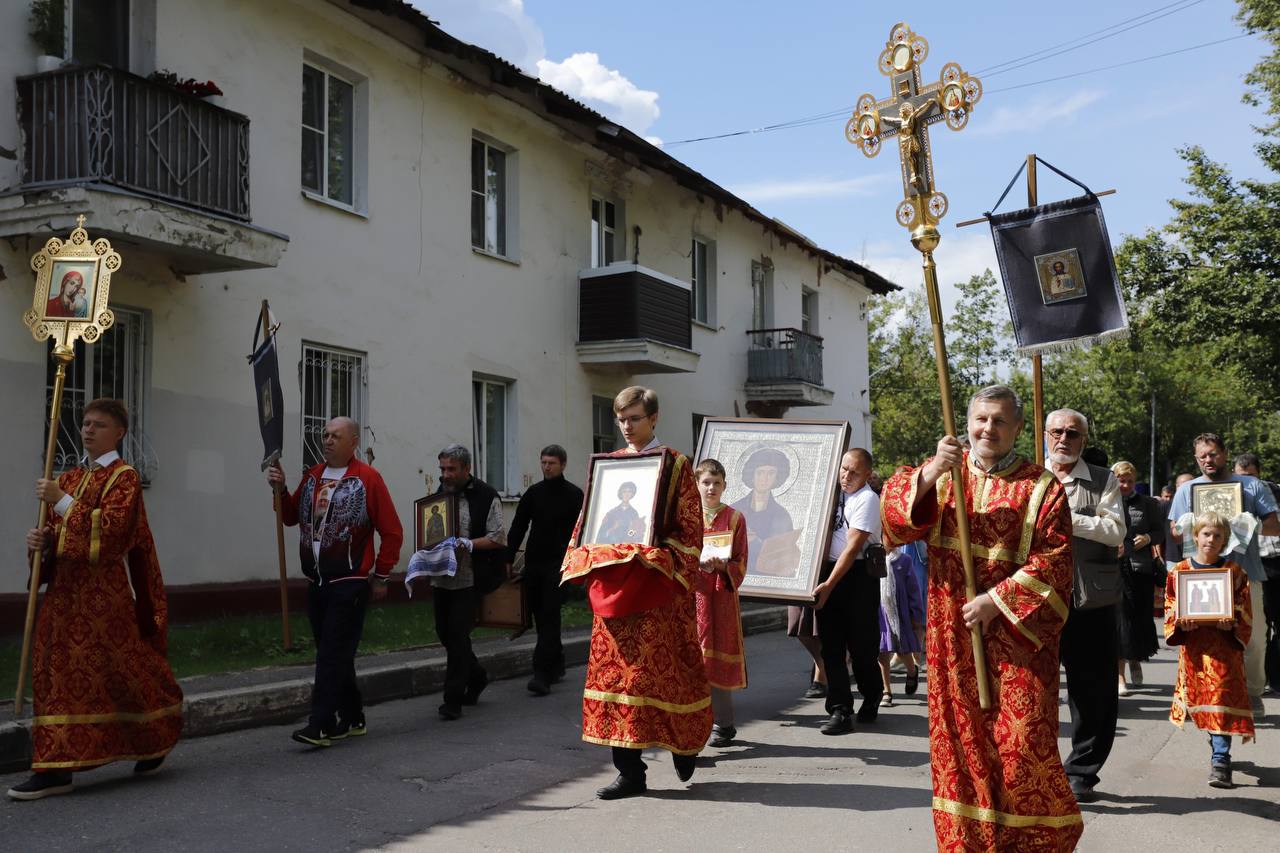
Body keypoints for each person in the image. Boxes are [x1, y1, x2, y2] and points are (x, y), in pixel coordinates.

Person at [882, 385, 1082, 851]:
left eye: (999, 421)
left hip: (1017, 637)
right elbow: (895, 524)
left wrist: (997, 600)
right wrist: (932, 471)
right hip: (951, 632)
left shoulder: (1041, 486)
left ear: (1016, 429)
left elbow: (1055, 562)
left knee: (1022, 747)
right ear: (967, 423)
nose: (987, 428)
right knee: (960, 743)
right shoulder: (942, 475)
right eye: (980, 419)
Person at [9, 399, 183, 801]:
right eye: (85, 423)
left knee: (121, 672)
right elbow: (58, 534)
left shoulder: (124, 478)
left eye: (98, 424)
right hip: (64, 596)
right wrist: (41, 543)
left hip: (104, 598)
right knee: (56, 672)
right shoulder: (68, 477)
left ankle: (155, 732)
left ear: (118, 432)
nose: (88, 430)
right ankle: (56, 766)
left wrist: (61, 501)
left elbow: (114, 532)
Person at [561, 386, 710, 800]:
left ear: (654, 418)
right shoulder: (610, 468)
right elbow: (589, 522)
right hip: (615, 591)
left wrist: (657, 556)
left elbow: (691, 532)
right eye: (621, 419)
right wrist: (582, 553)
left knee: (666, 676)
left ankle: (685, 744)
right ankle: (630, 772)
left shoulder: (676, 465)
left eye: (635, 418)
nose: (627, 427)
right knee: (617, 681)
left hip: (659, 592)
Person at [269, 417, 402, 747]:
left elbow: (392, 531)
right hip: (317, 581)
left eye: (335, 436)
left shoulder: (368, 478)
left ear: (353, 442)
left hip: (350, 581)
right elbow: (289, 516)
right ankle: (354, 716)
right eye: (325, 434)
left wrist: (382, 574)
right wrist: (282, 488)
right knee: (335, 652)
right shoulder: (313, 476)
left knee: (331, 652)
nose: (327, 440)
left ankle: (321, 724)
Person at [1043, 408, 1125, 803]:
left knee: (1092, 689)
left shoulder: (1103, 480)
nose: (1064, 439)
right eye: (1057, 431)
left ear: (1083, 441)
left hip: (1088, 600)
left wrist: (1067, 519)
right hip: (1036, 600)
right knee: (1033, 687)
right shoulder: (1029, 478)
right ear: (1044, 435)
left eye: (1072, 433)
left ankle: (1082, 771)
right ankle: (1035, 766)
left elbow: (1115, 532)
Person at [1169, 434, 1279, 712]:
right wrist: (1186, 526)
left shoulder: (1251, 486)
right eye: (1202, 456)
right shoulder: (1187, 490)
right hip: (1201, 576)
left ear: (1225, 453)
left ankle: (1253, 692)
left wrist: (1249, 523)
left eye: (1213, 454)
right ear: (1196, 459)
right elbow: (1176, 534)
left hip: (1246, 572)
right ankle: (1207, 697)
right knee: (1204, 638)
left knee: (1253, 637)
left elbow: (1274, 526)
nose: (1208, 460)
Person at [1165, 511, 1254, 788]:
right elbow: (1171, 607)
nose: (1211, 540)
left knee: (1222, 700)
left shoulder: (1235, 572)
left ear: (1225, 539)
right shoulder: (1179, 571)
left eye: (1217, 536)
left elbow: (1245, 610)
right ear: (1196, 536)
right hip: (1195, 651)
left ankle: (1220, 760)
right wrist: (1181, 622)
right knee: (1205, 703)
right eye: (1206, 534)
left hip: (1225, 650)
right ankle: (1217, 745)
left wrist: (1233, 621)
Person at [431, 444, 506, 720]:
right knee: (444, 633)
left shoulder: (487, 495)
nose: (446, 475)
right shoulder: (440, 493)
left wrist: (468, 544)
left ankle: (453, 700)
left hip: (471, 577)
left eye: (451, 469)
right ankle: (477, 676)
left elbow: (498, 536)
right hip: (442, 577)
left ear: (466, 469)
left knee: (458, 635)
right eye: (442, 469)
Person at [813, 448, 883, 734]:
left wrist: (830, 586)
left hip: (857, 576)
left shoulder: (867, 499)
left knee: (862, 645)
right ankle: (840, 709)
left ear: (867, 474)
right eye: (844, 469)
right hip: (828, 570)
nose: (846, 476)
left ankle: (872, 694)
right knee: (831, 645)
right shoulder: (834, 494)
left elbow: (853, 547)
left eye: (854, 472)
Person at [505, 444, 583, 696]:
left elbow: (581, 532)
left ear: (563, 465)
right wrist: (508, 558)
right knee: (542, 616)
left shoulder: (574, 495)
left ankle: (541, 674)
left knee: (549, 616)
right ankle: (557, 662)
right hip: (534, 564)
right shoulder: (533, 493)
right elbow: (518, 526)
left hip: (559, 566)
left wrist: (578, 563)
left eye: (552, 463)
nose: (546, 467)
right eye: (544, 462)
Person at [693, 458, 748, 748]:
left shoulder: (735, 518)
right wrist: (696, 562)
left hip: (721, 598)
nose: (711, 488)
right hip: (693, 596)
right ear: (697, 485)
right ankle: (693, 722)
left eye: (716, 483)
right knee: (693, 660)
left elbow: (741, 561)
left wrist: (723, 566)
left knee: (717, 656)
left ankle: (723, 724)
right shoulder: (688, 518)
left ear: (725, 485)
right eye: (705, 482)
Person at [1113, 460, 1165, 696]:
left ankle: (1135, 659)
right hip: (1114, 570)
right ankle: (1120, 675)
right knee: (1121, 621)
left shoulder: (1148, 503)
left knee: (1139, 620)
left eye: (1129, 481)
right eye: (1120, 480)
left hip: (1140, 569)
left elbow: (1159, 531)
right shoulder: (1106, 502)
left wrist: (1147, 538)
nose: (1125, 485)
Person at [1233, 453, 1280, 694]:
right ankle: (1255, 680)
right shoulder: (1231, 496)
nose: (1245, 481)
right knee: (1257, 628)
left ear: (1259, 473)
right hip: (1253, 566)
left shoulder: (1272, 492)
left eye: (1250, 476)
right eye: (1240, 477)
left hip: (1277, 564)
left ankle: (1273, 678)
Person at [879, 544, 925, 706]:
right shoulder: (873, 558)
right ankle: (886, 691)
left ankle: (912, 671)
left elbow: (913, 589)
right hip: (879, 612)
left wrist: (916, 614)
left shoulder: (904, 560)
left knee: (902, 648)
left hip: (899, 614)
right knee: (881, 652)